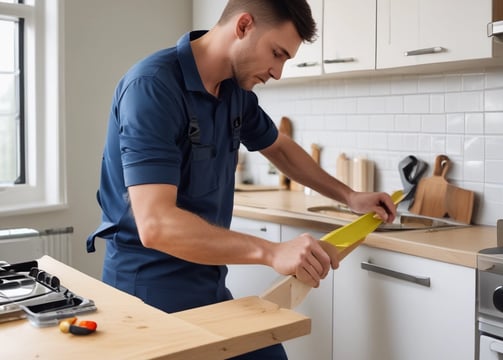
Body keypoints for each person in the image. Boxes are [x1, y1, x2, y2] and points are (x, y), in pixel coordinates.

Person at [87, 0, 397, 358]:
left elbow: (278, 147)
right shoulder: (152, 88)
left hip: (208, 283)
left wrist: (350, 195)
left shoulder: (235, 92)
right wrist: (271, 251)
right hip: (147, 290)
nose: (278, 72)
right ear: (244, 25)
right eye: (277, 53)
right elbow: (157, 225)